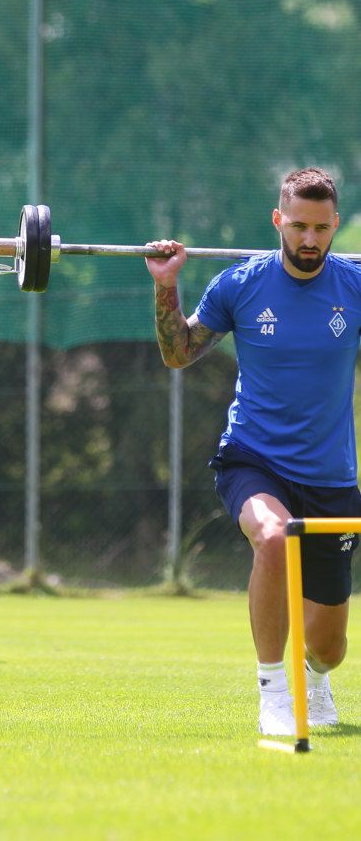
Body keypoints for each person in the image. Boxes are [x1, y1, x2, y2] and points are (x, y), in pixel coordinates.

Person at [144, 166, 361, 737]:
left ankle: (313, 678)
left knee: (330, 645)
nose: (309, 240)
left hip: (332, 475)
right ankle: (272, 690)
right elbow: (178, 352)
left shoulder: (355, 285)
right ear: (278, 221)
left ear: (335, 224)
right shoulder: (239, 285)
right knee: (274, 535)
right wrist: (166, 283)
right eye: (298, 227)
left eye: (320, 228)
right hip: (253, 458)